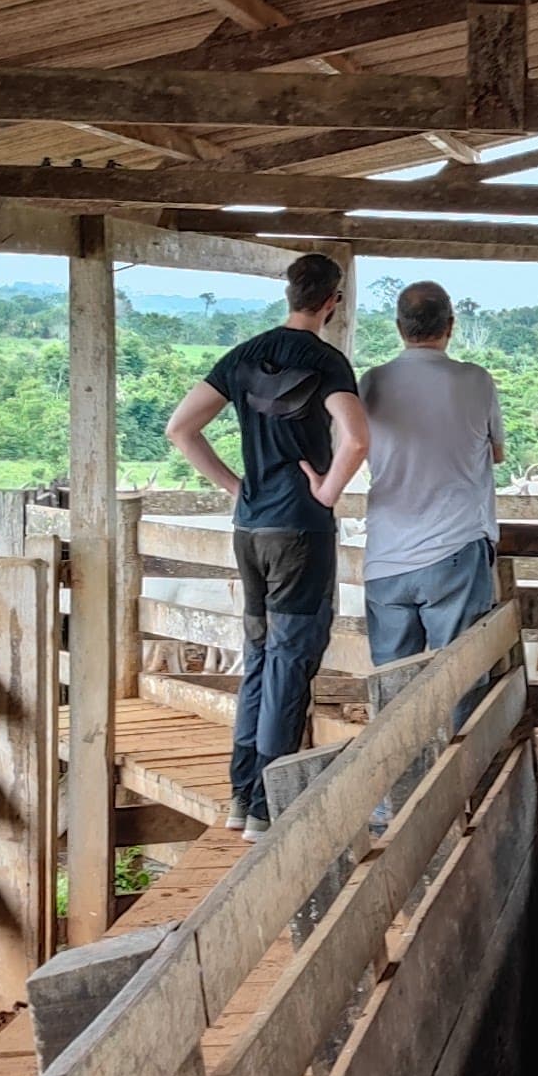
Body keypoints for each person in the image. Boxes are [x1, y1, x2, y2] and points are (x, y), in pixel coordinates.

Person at [166, 254, 370, 835]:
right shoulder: (328, 362)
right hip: (301, 529)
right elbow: (355, 439)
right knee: (290, 658)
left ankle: (240, 796)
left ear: (289, 294)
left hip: (250, 530)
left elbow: (181, 427)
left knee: (258, 657)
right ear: (333, 301)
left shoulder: (242, 355)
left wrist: (237, 486)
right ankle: (266, 806)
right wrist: (327, 492)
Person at [356, 281, 504, 664]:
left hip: (386, 554)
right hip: (455, 548)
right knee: (458, 676)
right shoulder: (476, 380)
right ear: (450, 326)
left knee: (392, 684)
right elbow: (497, 453)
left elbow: (355, 446)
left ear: (399, 327)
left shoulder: (372, 382)